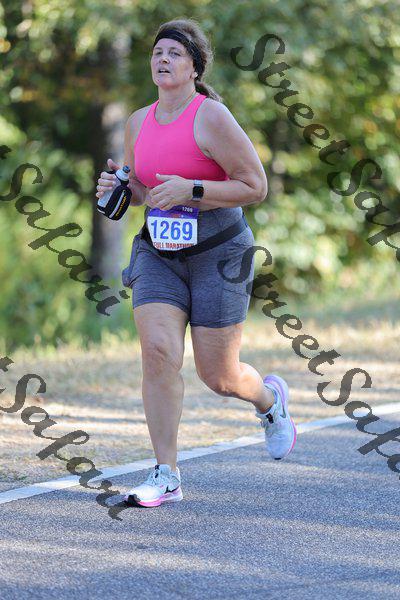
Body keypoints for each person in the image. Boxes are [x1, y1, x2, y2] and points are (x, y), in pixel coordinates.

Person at [96, 18, 297, 508]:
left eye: (175, 53)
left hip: (219, 253)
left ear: (194, 68)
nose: (163, 59)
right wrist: (119, 187)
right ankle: (166, 473)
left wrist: (194, 189)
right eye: (157, 52)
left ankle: (270, 402)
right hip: (158, 253)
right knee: (158, 353)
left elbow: (255, 186)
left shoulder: (212, 118)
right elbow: (142, 189)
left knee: (220, 376)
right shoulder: (138, 121)